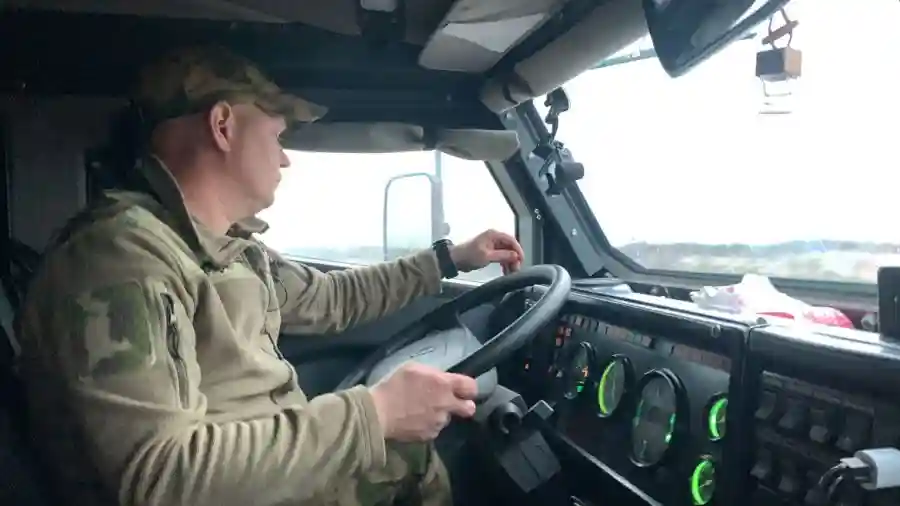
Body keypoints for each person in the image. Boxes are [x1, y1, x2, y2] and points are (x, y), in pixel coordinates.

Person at [15, 46, 526, 506]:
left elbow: (331, 298)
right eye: (276, 135)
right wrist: (373, 416)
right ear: (223, 126)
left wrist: (449, 261)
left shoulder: (224, 248)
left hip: (261, 476)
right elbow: (161, 478)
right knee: (414, 454)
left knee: (410, 450)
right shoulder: (120, 257)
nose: (284, 158)